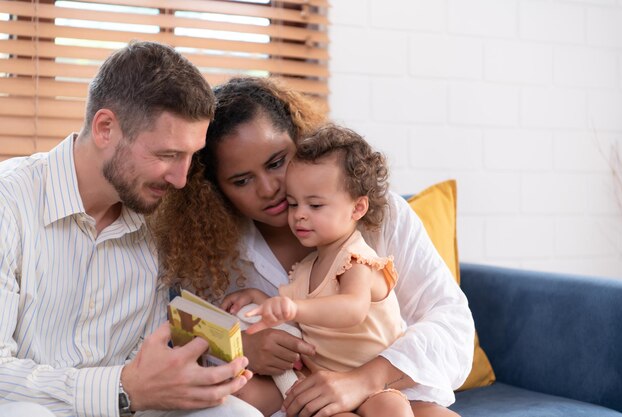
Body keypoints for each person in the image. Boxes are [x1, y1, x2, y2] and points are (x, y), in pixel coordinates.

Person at [152, 76, 475, 417]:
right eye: (242, 180)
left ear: (301, 143)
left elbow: (453, 325)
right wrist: (244, 347)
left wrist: (364, 379)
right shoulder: (206, 250)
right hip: (302, 398)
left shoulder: (381, 216)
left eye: (277, 162)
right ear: (215, 189)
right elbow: (184, 338)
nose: (268, 188)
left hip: (394, 387)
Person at [0, 41, 261, 417]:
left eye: (190, 157)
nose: (181, 178)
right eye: (167, 155)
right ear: (105, 128)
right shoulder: (10, 203)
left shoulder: (156, 222)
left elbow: (152, 365)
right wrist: (122, 389)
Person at [221, 124, 413, 417]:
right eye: (293, 203)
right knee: (245, 392)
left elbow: (352, 308)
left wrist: (293, 309)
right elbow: (289, 307)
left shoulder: (356, 258)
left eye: (315, 205)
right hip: (324, 377)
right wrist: (259, 298)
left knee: (391, 409)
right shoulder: (307, 267)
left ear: (357, 208)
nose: (299, 215)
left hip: (372, 380)